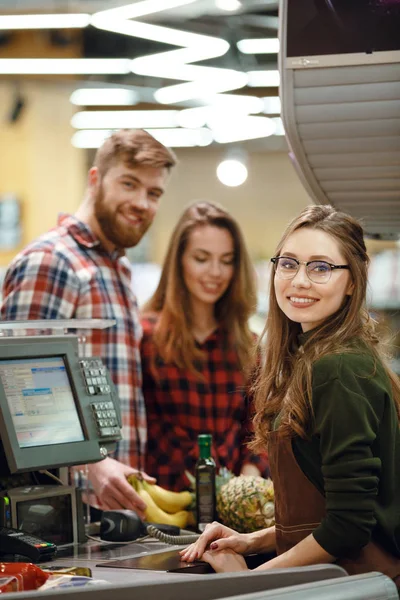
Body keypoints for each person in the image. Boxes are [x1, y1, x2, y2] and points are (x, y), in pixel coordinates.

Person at [180, 205, 400, 586]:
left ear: (353, 281)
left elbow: (349, 527)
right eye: (288, 263)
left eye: (321, 268)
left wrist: (247, 583)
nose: (299, 280)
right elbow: (329, 515)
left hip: (354, 585)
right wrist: (254, 540)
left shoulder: (338, 369)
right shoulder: (319, 356)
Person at [0, 129, 177, 517]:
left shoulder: (117, 268)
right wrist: (94, 463)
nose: (141, 202)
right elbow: (18, 402)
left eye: (154, 193)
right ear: (95, 180)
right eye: (129, 184)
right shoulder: (53, 261)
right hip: (59, 511)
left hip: (110, 510)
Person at [140, 201, 269, 491]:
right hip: (161, 509)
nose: (216, 272)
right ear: (179, 261)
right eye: (201, 258)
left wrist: (250, 478)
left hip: (231, 512)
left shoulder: (248, 345)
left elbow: (258, 427)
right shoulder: (145, 338)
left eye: (227, 260)